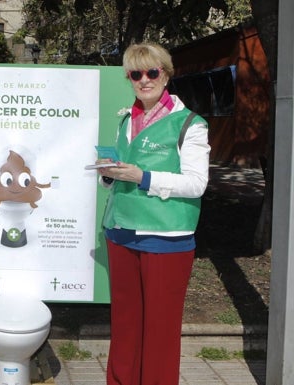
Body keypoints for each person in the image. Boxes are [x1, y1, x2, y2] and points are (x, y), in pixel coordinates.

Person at [97, 43, 210, 385]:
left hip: (166, 239)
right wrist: (108, 174)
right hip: (121, 232)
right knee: (126, 324)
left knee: (160, 331)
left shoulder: (190, 124)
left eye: (151, 72)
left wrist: (143, 177)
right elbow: (124, 171)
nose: (143, 80)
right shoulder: (125, 120)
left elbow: (197, 184)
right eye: (135, 74)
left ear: (166, 74)